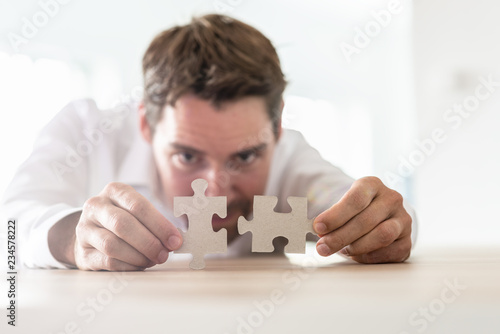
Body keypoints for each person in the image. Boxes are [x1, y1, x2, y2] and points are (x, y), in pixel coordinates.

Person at [1, 14, 415, 271]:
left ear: (277, 128)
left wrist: (379, 222)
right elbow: (10, 228)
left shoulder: (292, 158)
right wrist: (71, 237)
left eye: (246, 156)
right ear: (146, 124)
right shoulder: (86, 131)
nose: (215, 189)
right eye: (186, 156)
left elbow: (353, 204)